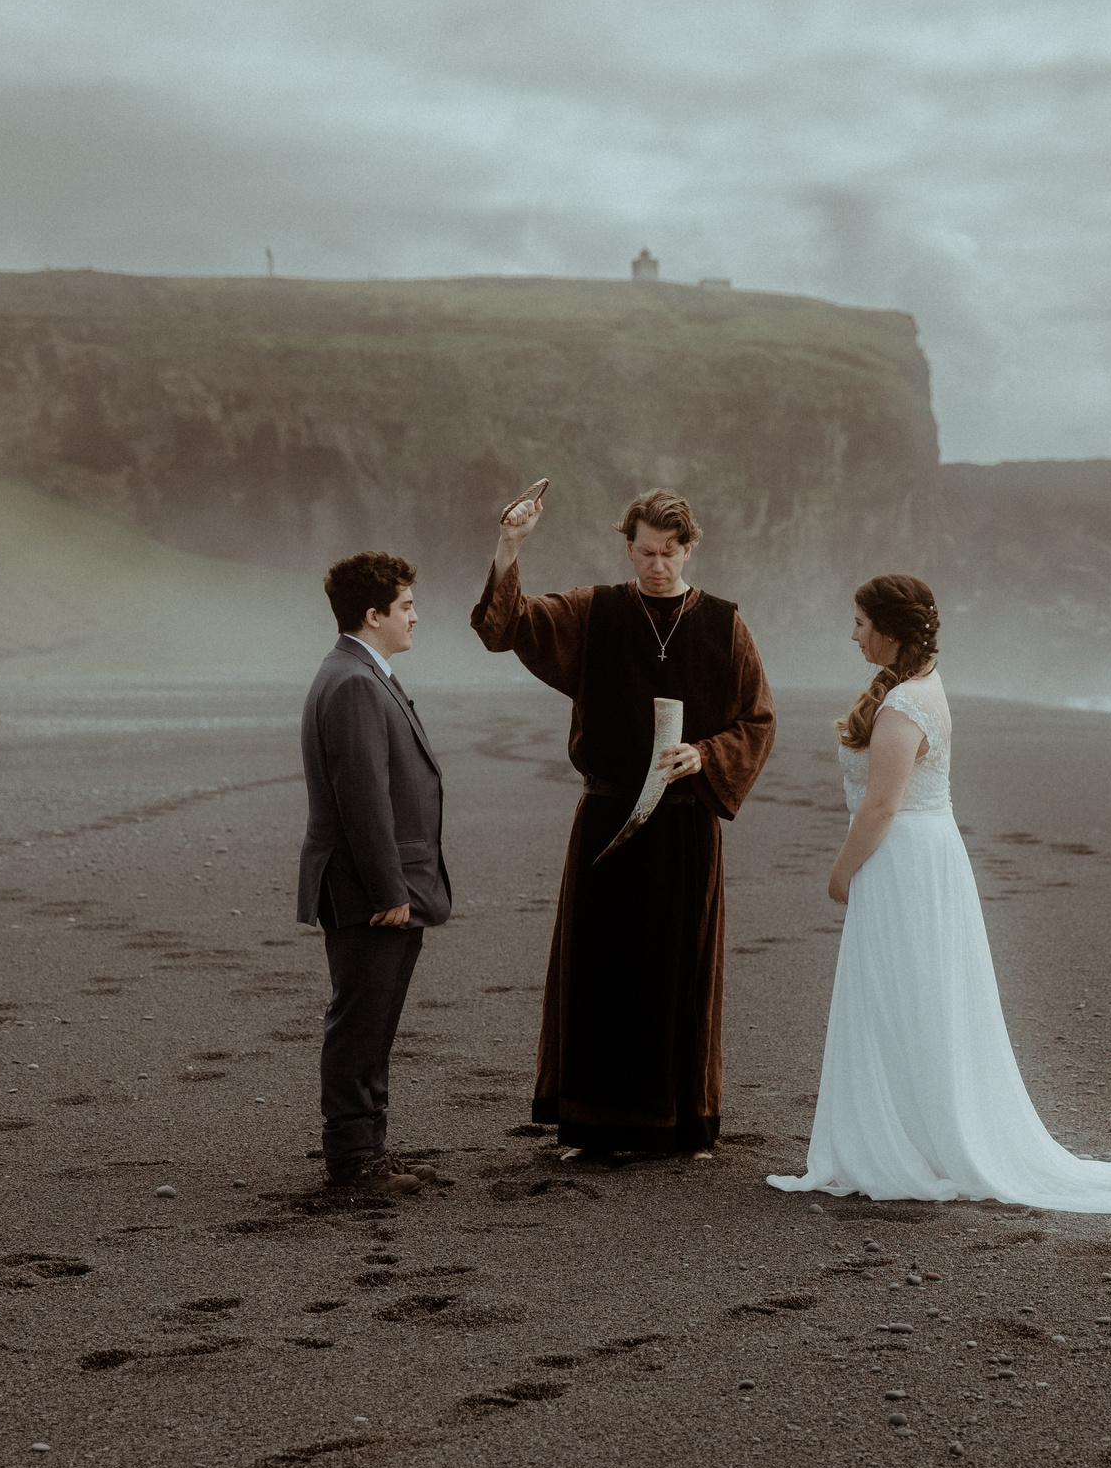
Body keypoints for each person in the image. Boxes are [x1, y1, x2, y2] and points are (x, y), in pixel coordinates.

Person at [767, 574, 1111, 1217]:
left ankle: (907, 1143)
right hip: (924, 856)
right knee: (916, 996)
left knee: (898, 994)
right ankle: (914, 1133)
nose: (850, 634)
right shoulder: (919, 688)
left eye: (858, 622)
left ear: (889, 628)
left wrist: (840, 872)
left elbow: (882, 804)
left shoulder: (905, 704)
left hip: (901, 858)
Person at [471, 487, 775, 1157]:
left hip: (687, 827)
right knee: (598, 969)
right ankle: (590, 1122)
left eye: (669, 553)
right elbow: (505, 626)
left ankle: (681, 1124)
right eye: (645, 551)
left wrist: (706, 753)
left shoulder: (725, 624)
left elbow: (757, 718)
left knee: (678, 971)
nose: (657, 565)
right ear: (627, 544)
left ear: (688, 548)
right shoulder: (595, 611)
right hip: (609, 815)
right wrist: (511, 545)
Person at [297, 551, 452, 1189]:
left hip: (374, 883)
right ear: (373, 614)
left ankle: (366, 1148)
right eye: (406, 606)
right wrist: (390, 890)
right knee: (362, 1019)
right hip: (371, 888)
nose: (415, 616)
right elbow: (364, 796)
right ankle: (356, 1158)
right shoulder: (356, 681)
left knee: (372, 1017)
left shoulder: (356, 671)